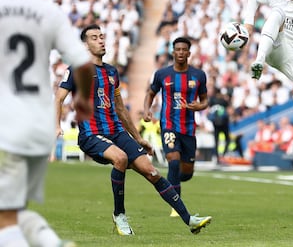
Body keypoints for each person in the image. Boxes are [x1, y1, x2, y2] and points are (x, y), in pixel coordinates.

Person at [55, 25, 211, 236]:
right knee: (120, 158)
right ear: (85, 44)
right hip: (91, 134)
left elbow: (120, 108)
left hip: (117, 132)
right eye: (94, 38)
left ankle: (189, 220)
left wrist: (137, 138)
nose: (101, 40)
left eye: (102, 36)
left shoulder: (112, 72)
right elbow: (59, 98)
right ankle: (119, 215)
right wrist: (56, 125)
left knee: (152, 172)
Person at [0, 0, 94, 247]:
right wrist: (81, 99)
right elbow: (82, 62)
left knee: (5, 219)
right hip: (37, 124)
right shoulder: (45, 10)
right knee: (12, 211)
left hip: (5, 123)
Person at [143, 37, 209, 217]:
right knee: (173, 160)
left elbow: (205, 100)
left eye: (183, 50)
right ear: (173, 52)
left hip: (188, 128)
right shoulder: (162, 74)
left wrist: (200, 106)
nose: (180, 52)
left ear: (189, 53)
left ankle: (170, 183)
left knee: (186, 173)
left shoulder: (199, 75)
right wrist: (146, 110)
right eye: (177, 49)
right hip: (169, 125)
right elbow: (150, 93)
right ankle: (176, 206)